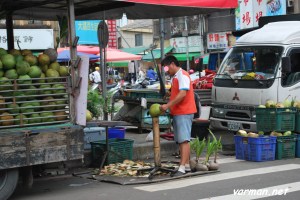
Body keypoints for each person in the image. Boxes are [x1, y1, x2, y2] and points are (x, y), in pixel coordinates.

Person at [160, 55, 197, 176]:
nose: (167, 71)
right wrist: (169, 95)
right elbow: (176, 91)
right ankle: (186, 166)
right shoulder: (175, 77)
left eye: (166, 68)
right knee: (181, 140)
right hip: (179, 112)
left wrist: (167, 105)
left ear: (171, 64)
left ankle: (181, 168)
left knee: (184, 140)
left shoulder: (182, 75)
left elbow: (182, 94)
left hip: (184, 111)